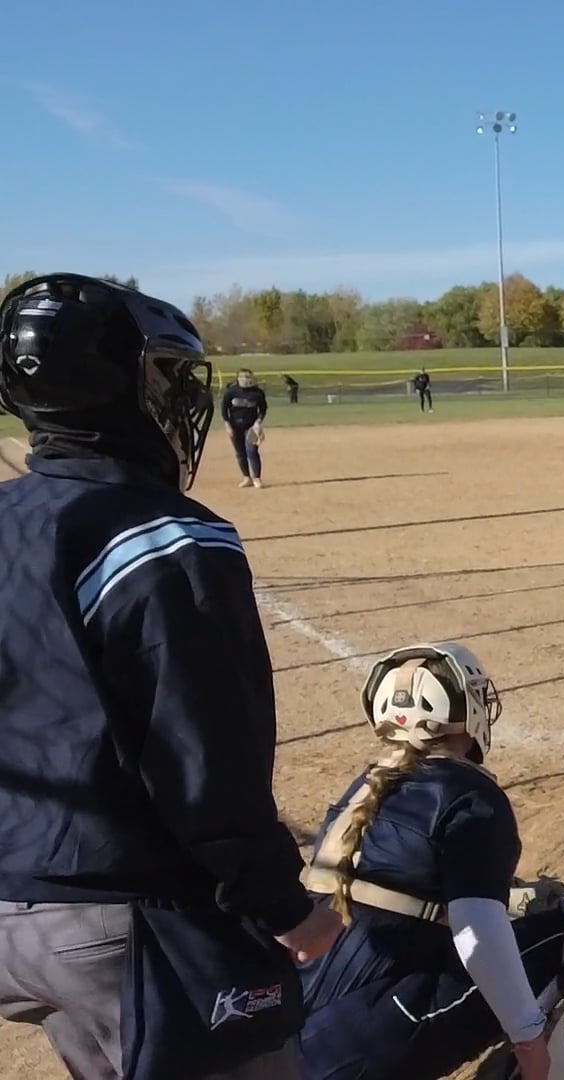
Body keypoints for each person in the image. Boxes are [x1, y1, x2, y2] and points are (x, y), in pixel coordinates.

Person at [0, 274, 340, 1080]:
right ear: (113, 385)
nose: (179, 395)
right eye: (162, 374)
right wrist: (282, 904)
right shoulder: (166, 536)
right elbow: (203, 754)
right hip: (125, 917)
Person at [297, 642, 564, 1080]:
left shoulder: (363, 789)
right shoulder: (471, 795)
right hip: (364, 1046)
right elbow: (476, 931)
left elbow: (403, 890)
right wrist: (528, 1038)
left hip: (286, 1041)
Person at [221, 367, 269, 488]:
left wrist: (258, 422)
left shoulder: (257, 393)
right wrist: (227, 425)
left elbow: (263, 409)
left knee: (252, 451)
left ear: (252, 378)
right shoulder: (231, 392)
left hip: (251, 427)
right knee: (240, 452)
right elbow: (224, 409)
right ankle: (246, 478)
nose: (245, 379)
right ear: (237, 378)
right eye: (242, 377)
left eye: (248, 376)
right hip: (235, 426)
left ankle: (257, 478)